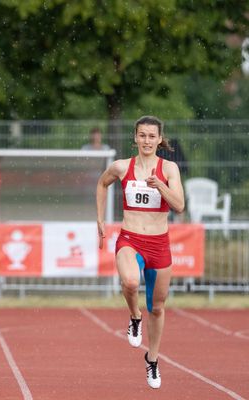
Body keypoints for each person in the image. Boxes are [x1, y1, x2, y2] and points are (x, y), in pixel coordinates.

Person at [96, 116, 184, 389]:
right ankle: (134, 317)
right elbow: (101, 184)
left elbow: (179, 205)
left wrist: (160, 185)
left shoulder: (168, 169)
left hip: (159, 244)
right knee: (130, 282)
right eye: (142, 135)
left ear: (160, 139)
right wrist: (100, 218)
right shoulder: (122, 167)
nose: (146, 141)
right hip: (130, 239)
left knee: (157, 308)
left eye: (151, 136)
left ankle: (153, 359)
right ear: (135, 138)